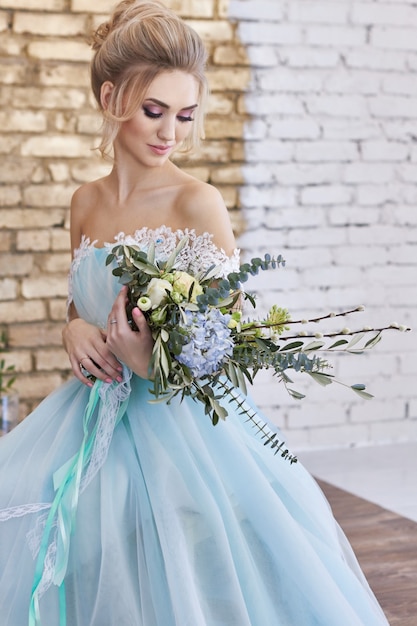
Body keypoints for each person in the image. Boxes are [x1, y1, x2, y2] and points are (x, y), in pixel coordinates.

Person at [0, 1, 390, 624]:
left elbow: (227, 344)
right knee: (75, 550)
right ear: (110, 99)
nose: (169, 133)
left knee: (181, 572)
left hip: (180, 427)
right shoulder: (85, 201)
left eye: (184, 115)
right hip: (92, 415)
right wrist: (71, 327)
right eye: (154, 112)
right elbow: (80, 300)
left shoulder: (196, 204)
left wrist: (146, 360)